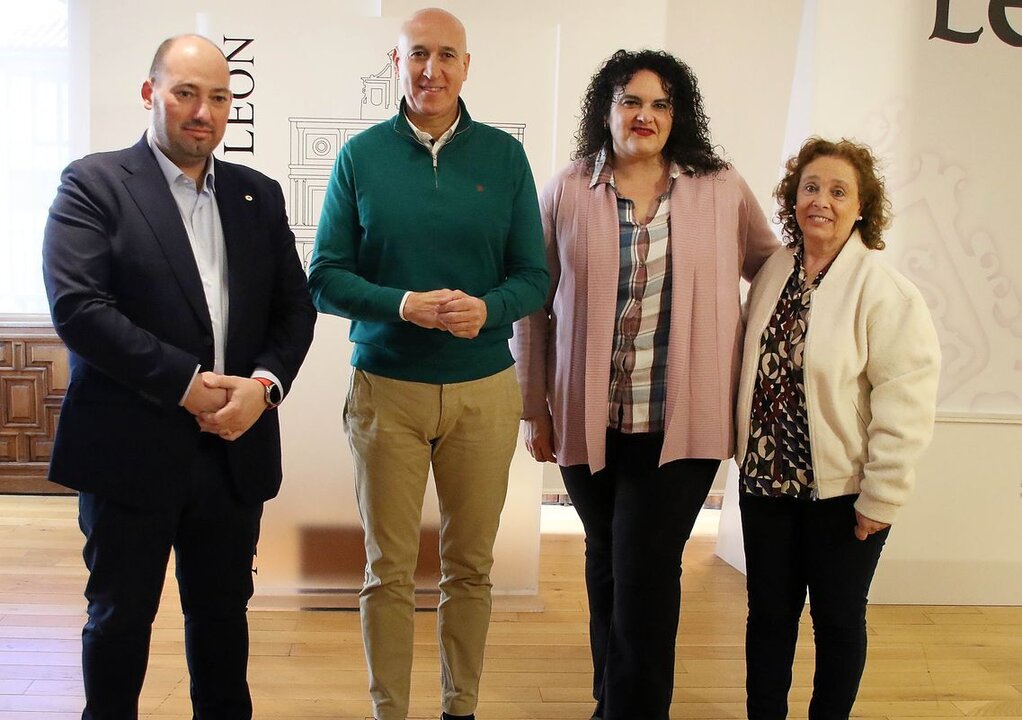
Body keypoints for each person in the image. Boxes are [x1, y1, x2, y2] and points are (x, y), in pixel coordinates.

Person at [41, 35, 316, 719]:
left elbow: (295, 312)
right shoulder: (94, 185)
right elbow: (79, 309)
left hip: (233, 452)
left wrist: (263, 388)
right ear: (150, 93)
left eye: (219, 97)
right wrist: (186, 384)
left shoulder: (257, 195)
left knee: (223, 623)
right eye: (186, 93)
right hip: (128, 450)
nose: (204, 112)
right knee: (118, 623)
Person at [511, 49, 778, 720]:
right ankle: (613, 696)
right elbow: (531, 301)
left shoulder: (720, 187)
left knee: (645, 573)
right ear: (606, 110)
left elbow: (768, 268)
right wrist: (533, 407)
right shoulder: (568, 188)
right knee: (606, 559)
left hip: (683, 425)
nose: (645, 115)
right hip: (585, 418)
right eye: (631, 100)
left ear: (677, 114)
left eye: (661, 103)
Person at [306, 8, 548, 720]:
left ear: (467, 65)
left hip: (483, 393)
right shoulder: (360, 157)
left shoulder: (504, 158)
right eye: (418, 55)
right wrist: (402, 304)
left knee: (470, 568)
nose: (431, 70)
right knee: (387, 571)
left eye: (446, 56)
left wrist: (491, 307)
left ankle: (459, 708)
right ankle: (390, 711)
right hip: (388, 388)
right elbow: (325, 277)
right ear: (396, 61)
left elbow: (533, 276)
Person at [735, 137, 941, 719]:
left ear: (861, 208)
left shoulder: (885, 291)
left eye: (838, 191)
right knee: (769, 616)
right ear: (793, 199)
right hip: (766, 486)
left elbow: (906, 403)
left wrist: (882, 496)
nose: (820, 200)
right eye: (810, 187)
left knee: (838, 619)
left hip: (844, 496)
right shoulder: (775, 271)